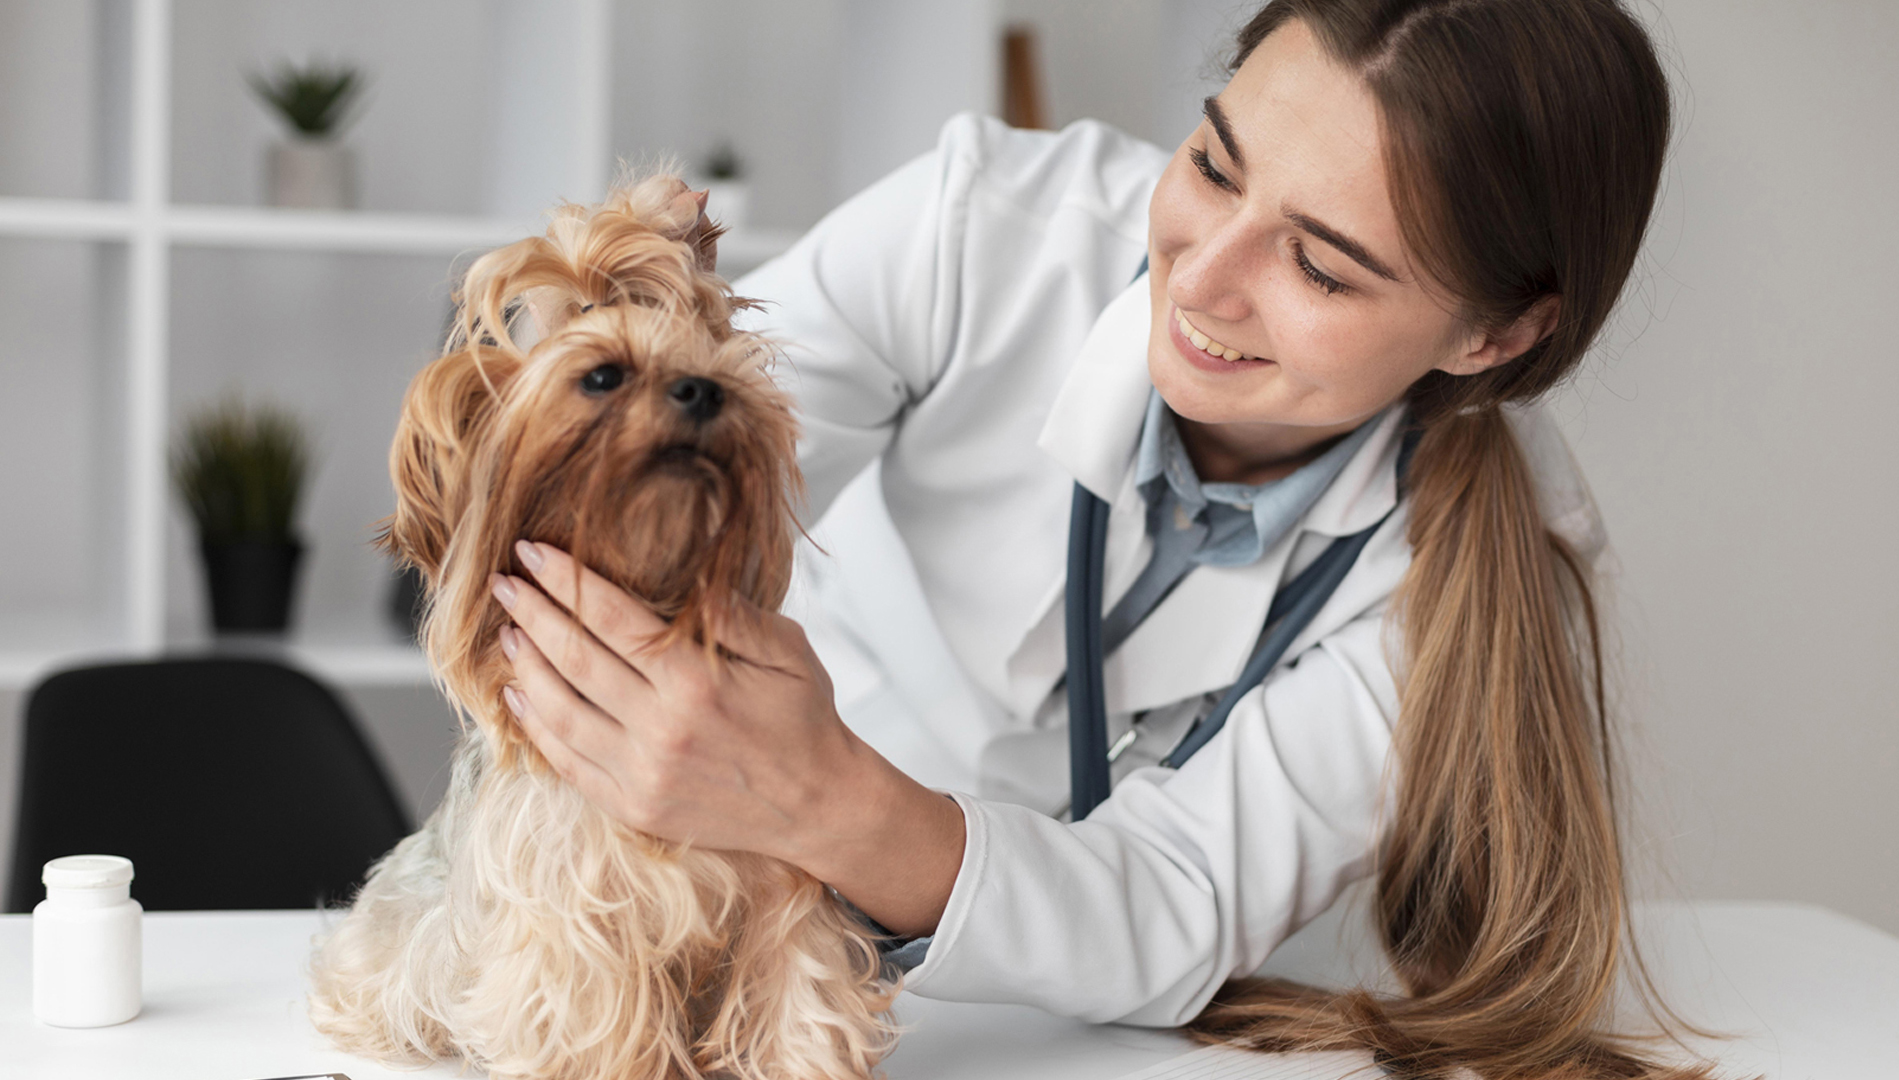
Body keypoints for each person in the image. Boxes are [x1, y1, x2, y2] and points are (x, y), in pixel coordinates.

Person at [488, 1, 1706, 1076]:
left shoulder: (1492, 563)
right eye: (1216, 168)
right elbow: (604, 505)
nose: (1202, 281)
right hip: (725, 928)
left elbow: (1183, 898)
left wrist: (834, 806)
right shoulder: (982, 232)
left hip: (1129, 1043)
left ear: (1492, 338)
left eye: (1321, 270)